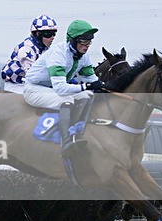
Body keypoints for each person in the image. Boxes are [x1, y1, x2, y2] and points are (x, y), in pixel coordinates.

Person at [23, 19, 103, 158]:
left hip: (50, 88)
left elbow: (93, 80)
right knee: (66, 100)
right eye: (83, 42)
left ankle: (77, 132)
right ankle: (66, 142)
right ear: (72, 40)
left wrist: (105, 87)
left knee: (87, 96)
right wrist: (86, 86)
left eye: (89, 42)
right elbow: (61, 89)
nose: (87, 46)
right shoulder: (58, 54)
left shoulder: (84, 57)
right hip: (34, 89)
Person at [0, 15, 58, 93]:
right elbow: (33, 75)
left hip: (29, 84)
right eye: (48, 34)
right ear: (37, 34)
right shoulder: (26, 49)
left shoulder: (45, 49)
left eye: (54, 33)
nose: (52, 37)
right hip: (17, 86)